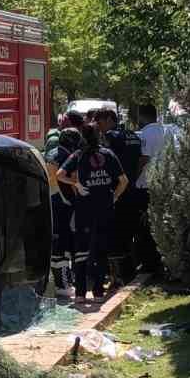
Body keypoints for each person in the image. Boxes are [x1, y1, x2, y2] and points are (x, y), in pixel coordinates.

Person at [57, 125, 128, 303]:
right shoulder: (109, 154)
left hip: (84, 210)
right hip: (105, 209)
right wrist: (114, 197)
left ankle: (80, 293)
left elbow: (59, 174)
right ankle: (98, 292)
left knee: (81, 251)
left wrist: (76, 184)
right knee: (101, 250)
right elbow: (124, 181)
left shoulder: (78, 155)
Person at [98, 108, 144, 282]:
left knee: (116, 234)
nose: (101, 129)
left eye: (101, 123)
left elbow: (106, 161)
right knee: (130, 231)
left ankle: (120, 275)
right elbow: (140, 160)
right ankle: (131, 270)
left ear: (110, 119)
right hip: (132, 188)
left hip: (117, 192)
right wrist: (131, 178)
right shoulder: (132, 135)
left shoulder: (111, 136)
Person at [131, 103, 173, 275]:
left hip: (145, 185)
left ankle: (149, 262)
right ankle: (161, 259)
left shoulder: (146, 134)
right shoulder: (166, 131)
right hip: (163, 183)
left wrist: (132, 177)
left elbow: (144, 158)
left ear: (141, 116)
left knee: (145, 226)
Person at [44, 125, 83, 298]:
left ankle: (61, 282)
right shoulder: (68, 157)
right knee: (64, 247)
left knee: (57, 246)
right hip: (64, 205)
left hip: (50, 202)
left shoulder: (49, 154)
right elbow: (73, 181)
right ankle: (63, 285)